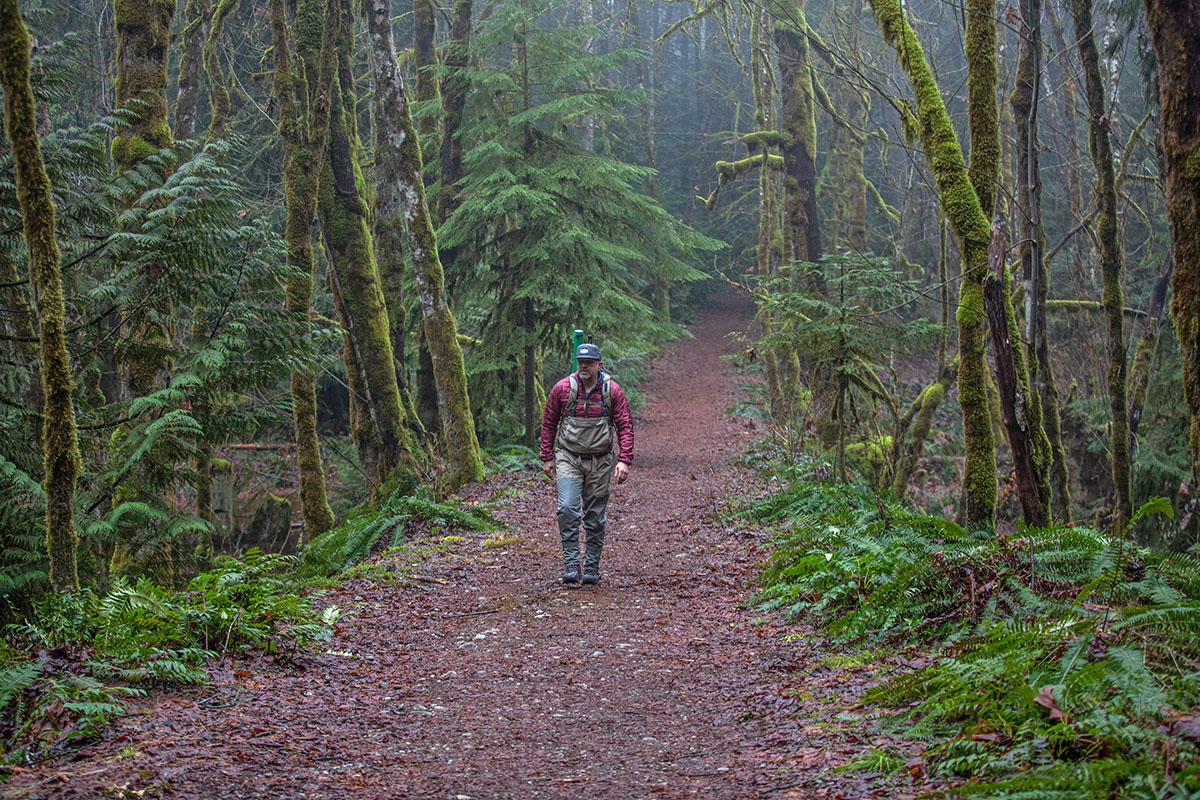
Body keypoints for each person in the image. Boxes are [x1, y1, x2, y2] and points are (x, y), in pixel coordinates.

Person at [539, 343, 633, 585]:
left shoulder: (612, 391)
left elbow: (625, 425)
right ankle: (571, 562)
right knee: (567, 508)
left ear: (599, 365)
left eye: (589, 362)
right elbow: (549, 422)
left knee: (594, 516)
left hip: (600, 461)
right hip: (568, 457)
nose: (584, 366)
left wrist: (624, 460)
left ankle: (591, 565)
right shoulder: (562, 389)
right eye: (580, 362)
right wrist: (547, 456)